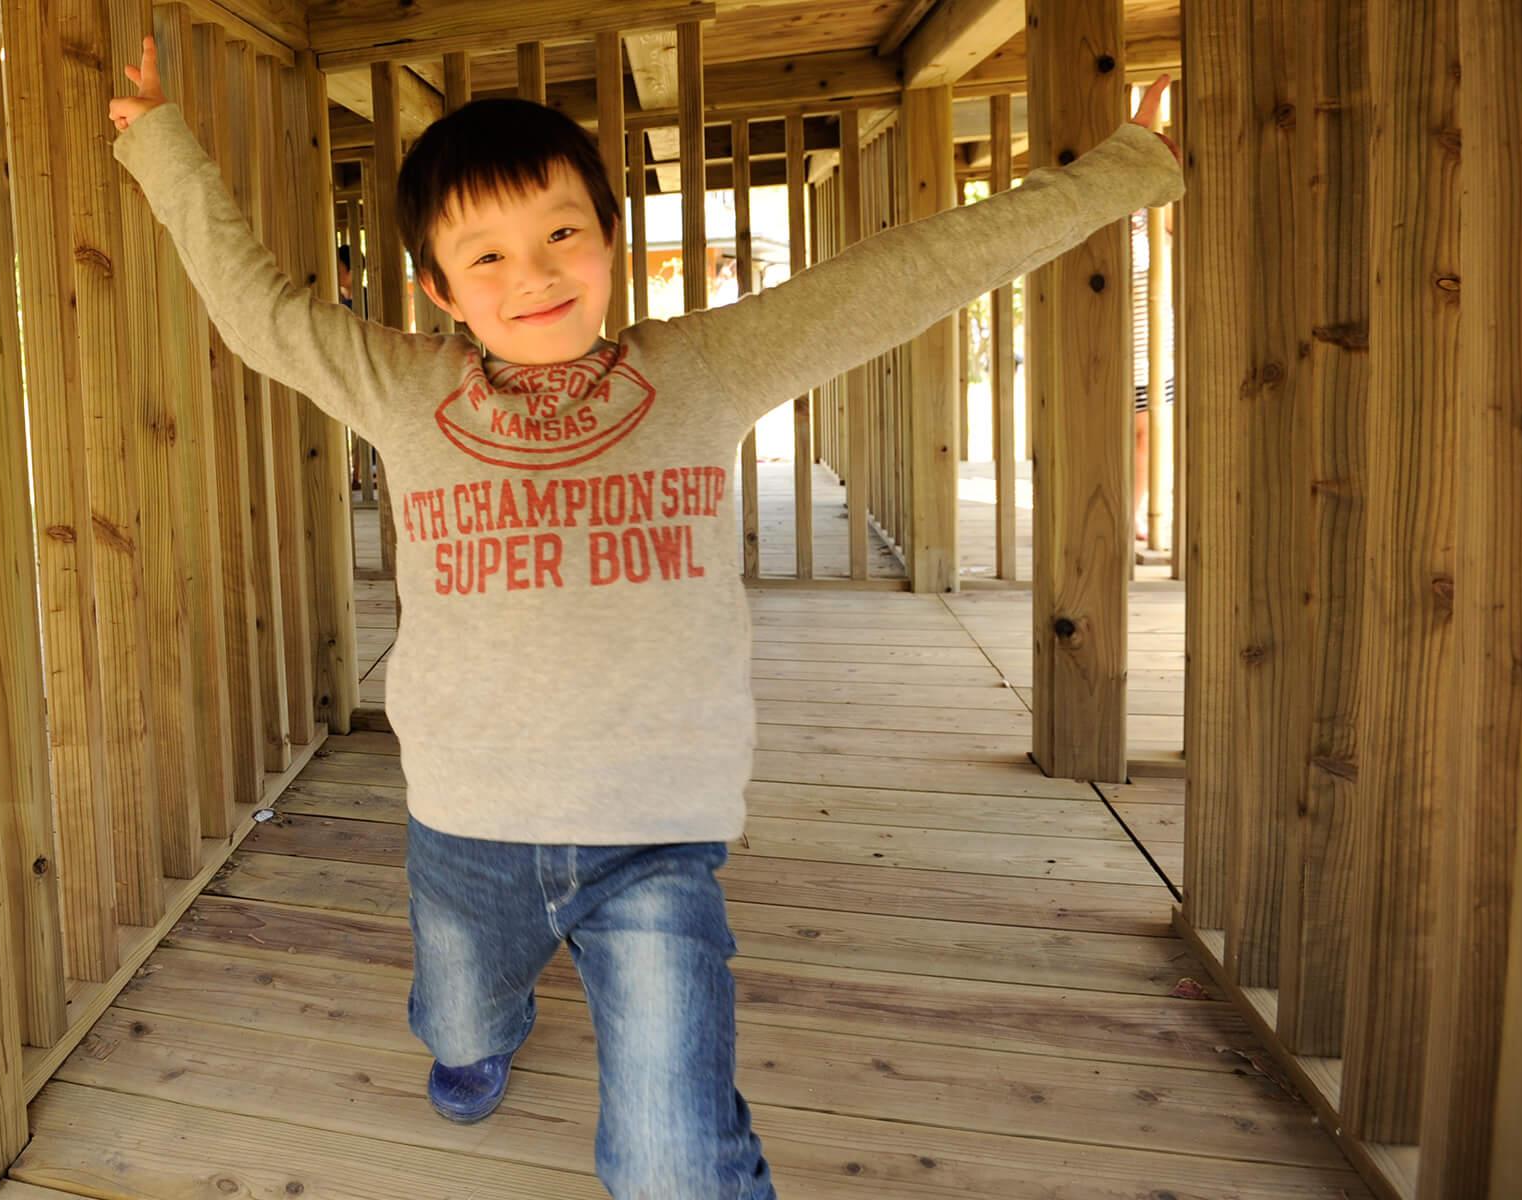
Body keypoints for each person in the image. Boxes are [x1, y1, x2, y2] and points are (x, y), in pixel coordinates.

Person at [110, 44, 1181, 1199]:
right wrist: (161, 145)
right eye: (486, 254)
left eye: (561, 233)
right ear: (438, 289)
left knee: (675, 1159)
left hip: (653, 833)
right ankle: (479, 1034)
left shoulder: (702, 369)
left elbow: (906, 271)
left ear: (610, 238)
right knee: (461, 1019)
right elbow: (259, 312)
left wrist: (1123, 170)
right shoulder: (400, 388)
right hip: (467, 822)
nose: (533, 274)